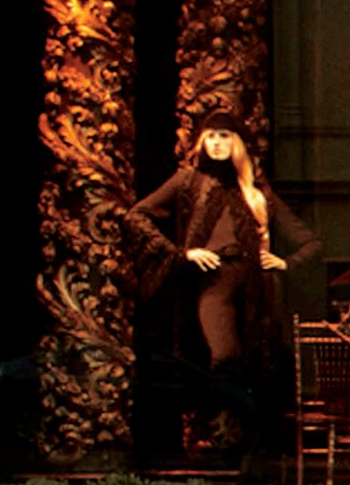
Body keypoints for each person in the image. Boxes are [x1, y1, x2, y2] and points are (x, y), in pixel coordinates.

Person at [129, 125, 321, 449]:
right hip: (213, 281)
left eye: (225, 136)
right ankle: (230, 430)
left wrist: (286, 262)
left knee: (261, 363)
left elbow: (310, 242)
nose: (217, 143)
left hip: (258, 285)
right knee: (225, 356)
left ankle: (249, 445)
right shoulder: (189, 180)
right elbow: (138, 215)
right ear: (202, 141)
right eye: (211, 136)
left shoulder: (256, 191)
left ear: (238, 143)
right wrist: (182, 253)